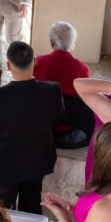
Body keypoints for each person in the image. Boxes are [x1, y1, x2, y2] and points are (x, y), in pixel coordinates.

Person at [0, 41, 65, 214]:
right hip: (36, 161)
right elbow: (58, 118)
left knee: (0, 210)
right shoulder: (52, 90)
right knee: (31, 205)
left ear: (8, 66)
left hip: (2, 165)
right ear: (35, 61)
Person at [33, 21, 94, 149]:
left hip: (42, 125)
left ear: (51, 42)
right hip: (72, 127)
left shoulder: (37, 63)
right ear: (72, 44)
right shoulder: (82, 69)